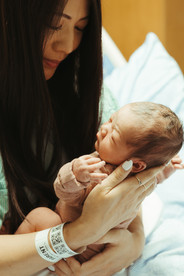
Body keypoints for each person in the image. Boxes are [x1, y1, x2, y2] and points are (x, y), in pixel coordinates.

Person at [0, 0, 177, 275]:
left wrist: (134, 242)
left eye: (81, 27)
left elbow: (130, 176)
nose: (68, 45)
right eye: (54, 24)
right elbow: (67, 187)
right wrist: (77, 234)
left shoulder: (81, 89)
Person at [15, 102, 184, 265]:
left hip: (74, 246)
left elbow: (63, 193)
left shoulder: (98, 175)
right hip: (104, 247)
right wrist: (165, 168)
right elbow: (155, 178)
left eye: (113, 136)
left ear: (137, 165)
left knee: (40, 216)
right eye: (111, 120)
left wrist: (75, 175)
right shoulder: (140, 176)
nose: (104, 129)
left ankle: (14, 247)